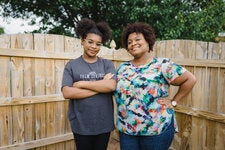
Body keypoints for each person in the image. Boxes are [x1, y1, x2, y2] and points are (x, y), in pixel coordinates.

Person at [114, 22, 196, 150]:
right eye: (129, 42)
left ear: (148, 41)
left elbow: (190, 79)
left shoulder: (162, 64)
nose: (133, 43)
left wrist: (174, 102)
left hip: (156, 129)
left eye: (137, 39)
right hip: (127, 129)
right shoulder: (123, 68)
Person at [61, 18, 116, 150]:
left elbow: (111, 86)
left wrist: (80, 84)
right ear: (82, 41)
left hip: (103, 123)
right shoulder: (72, 65)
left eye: (98, 44)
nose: (94, 47)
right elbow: (67, 92)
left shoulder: (107, 64)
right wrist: (101, 85)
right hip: (81, 124)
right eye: (90, 42)